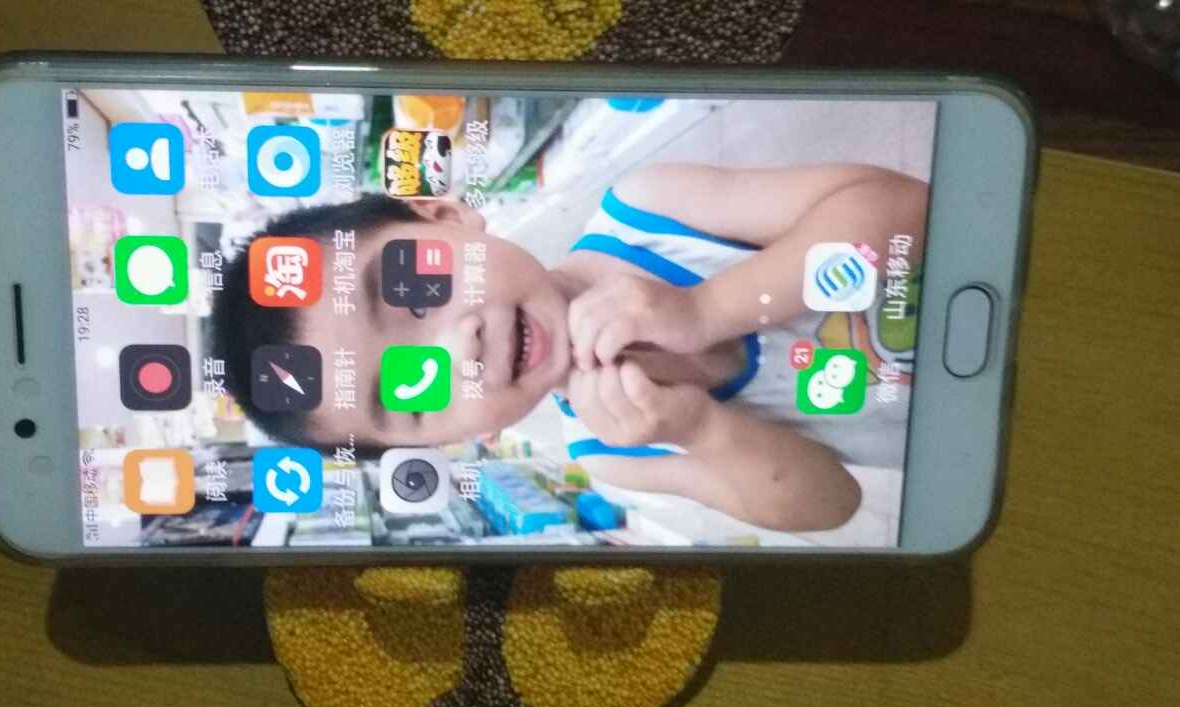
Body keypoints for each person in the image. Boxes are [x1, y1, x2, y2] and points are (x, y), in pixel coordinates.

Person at [207, 162, 929, 532]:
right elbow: (832, 503)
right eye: (411, 390)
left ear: (445, 216)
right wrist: (702, 429)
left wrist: (709, 308)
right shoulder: (614, 454)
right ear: (455, 439)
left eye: (416, 292)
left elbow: (907, 208)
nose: (459, 348)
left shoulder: (653, 212)